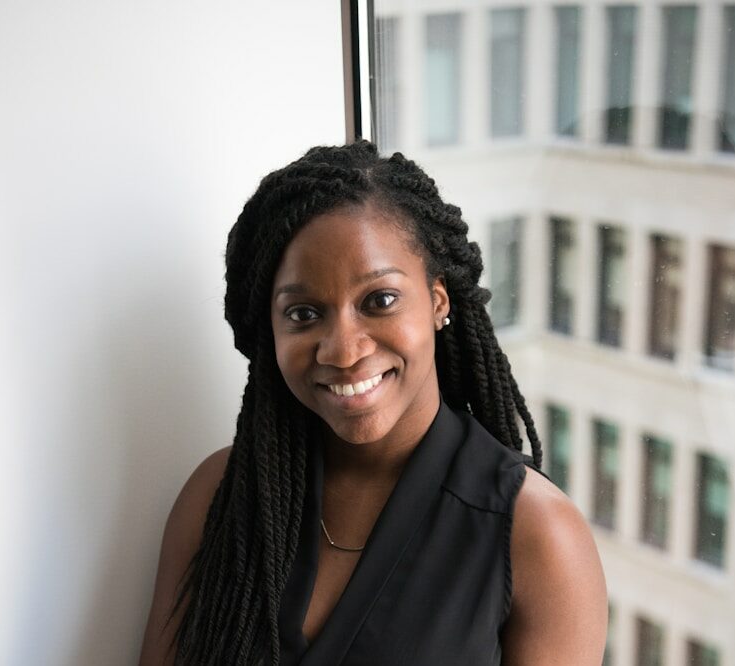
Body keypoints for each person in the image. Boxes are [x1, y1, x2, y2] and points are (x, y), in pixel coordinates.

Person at [139, 141, 607, 665]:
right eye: (302, 314)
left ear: (437, 299)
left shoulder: (537, 536)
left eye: (379, 300)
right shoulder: (219, 495)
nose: (342, 349)